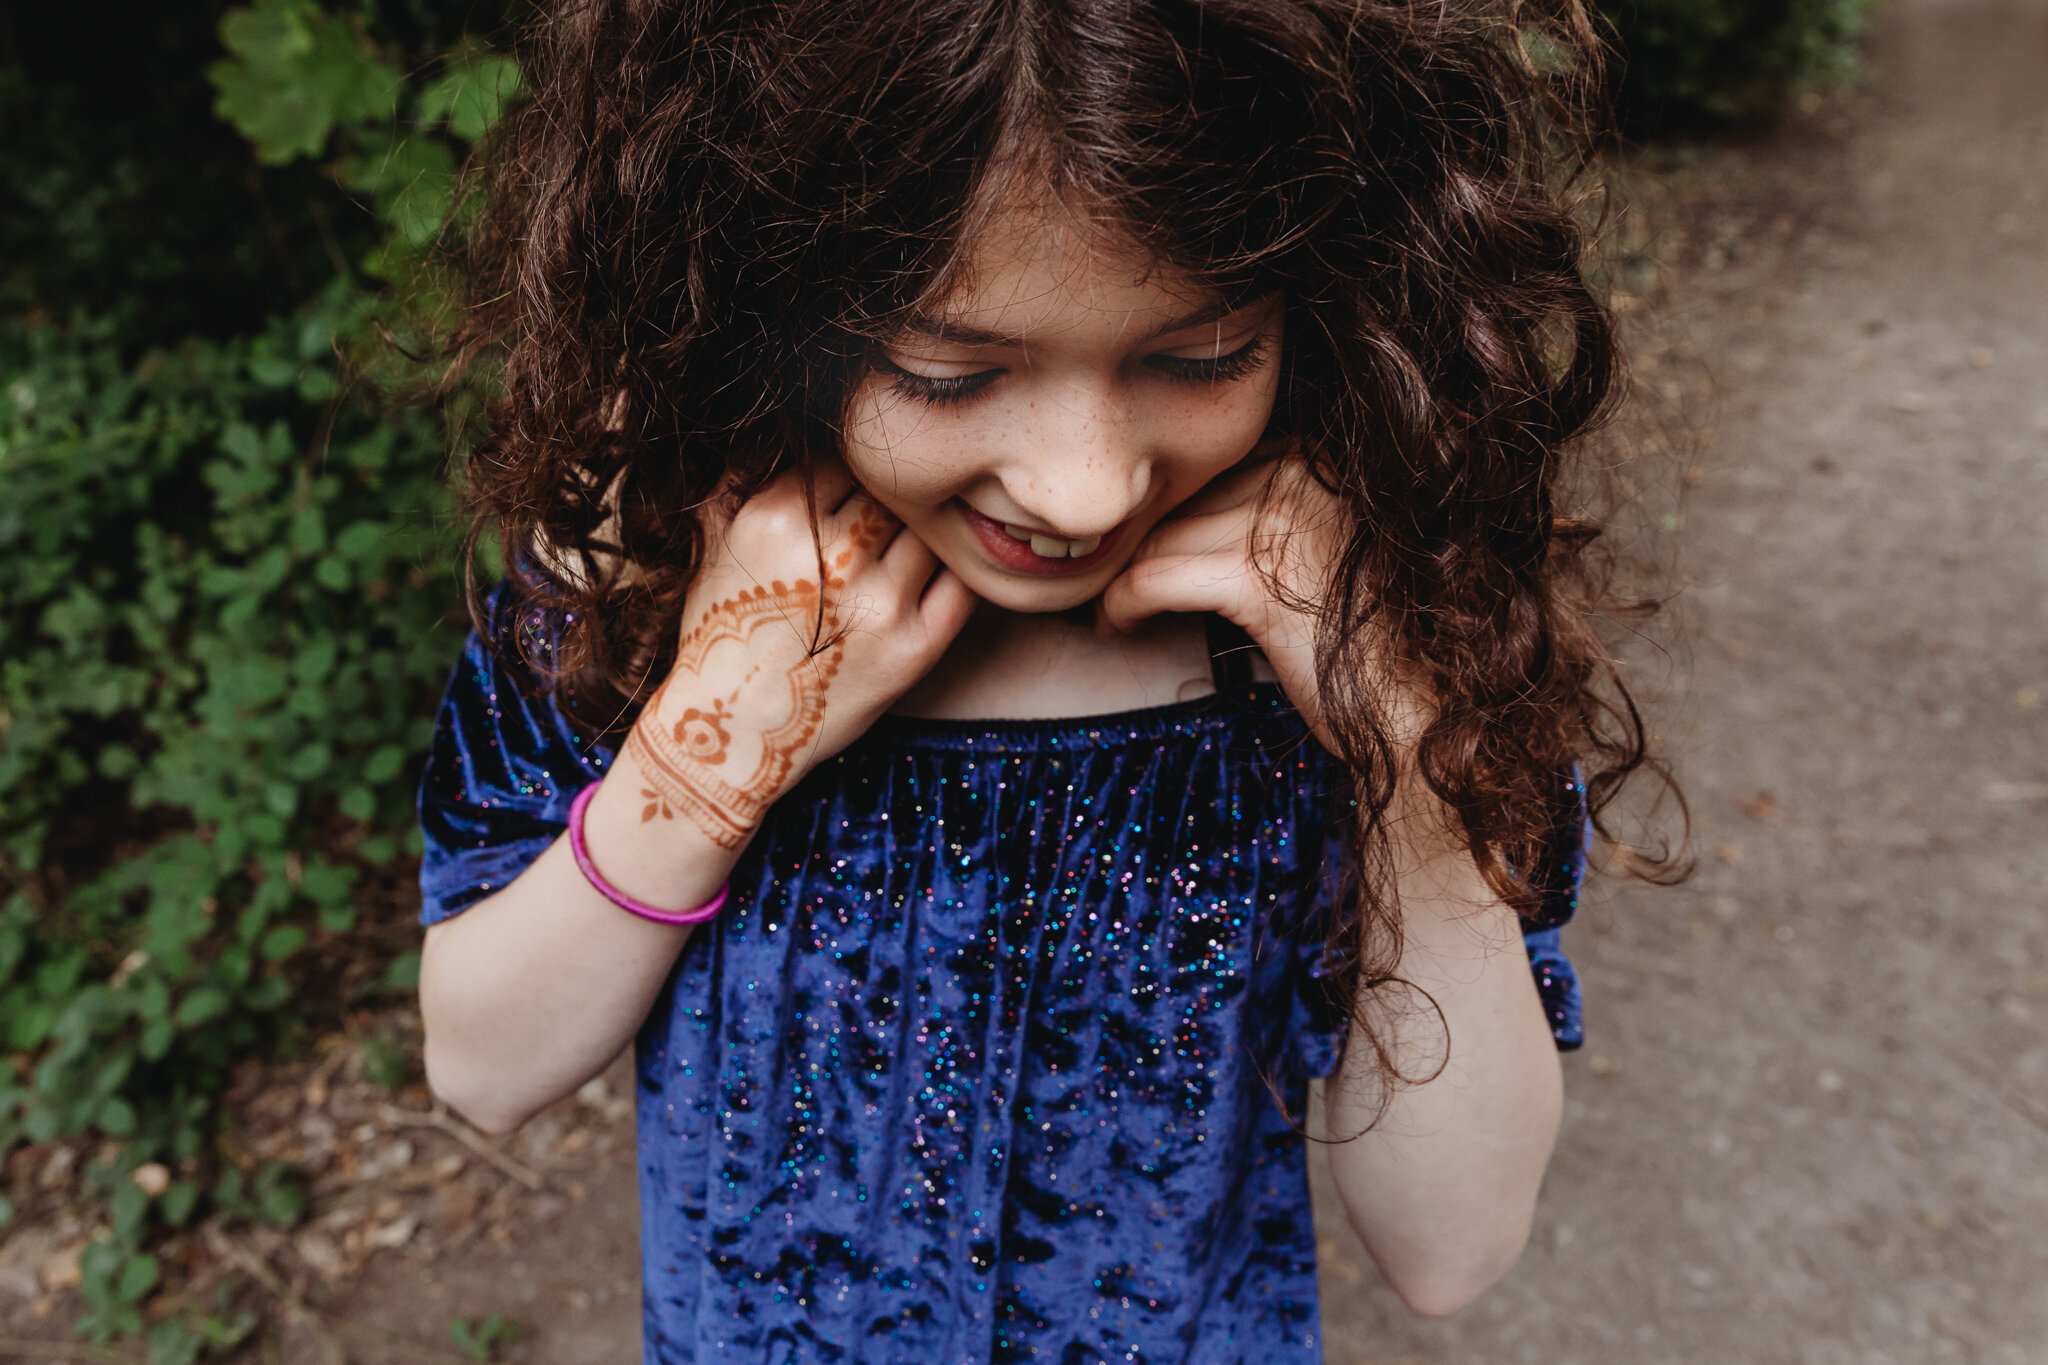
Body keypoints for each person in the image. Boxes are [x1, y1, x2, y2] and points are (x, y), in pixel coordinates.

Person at [416, 0, 1668, 1358]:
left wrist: (1402, 757)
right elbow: (482, 1065)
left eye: (1198, 357)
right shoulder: (652, 566)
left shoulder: (1370, 627)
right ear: (766, 290)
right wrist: (710, 749)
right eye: (948, 374)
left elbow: (1453, 1244)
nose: (1085, 484)